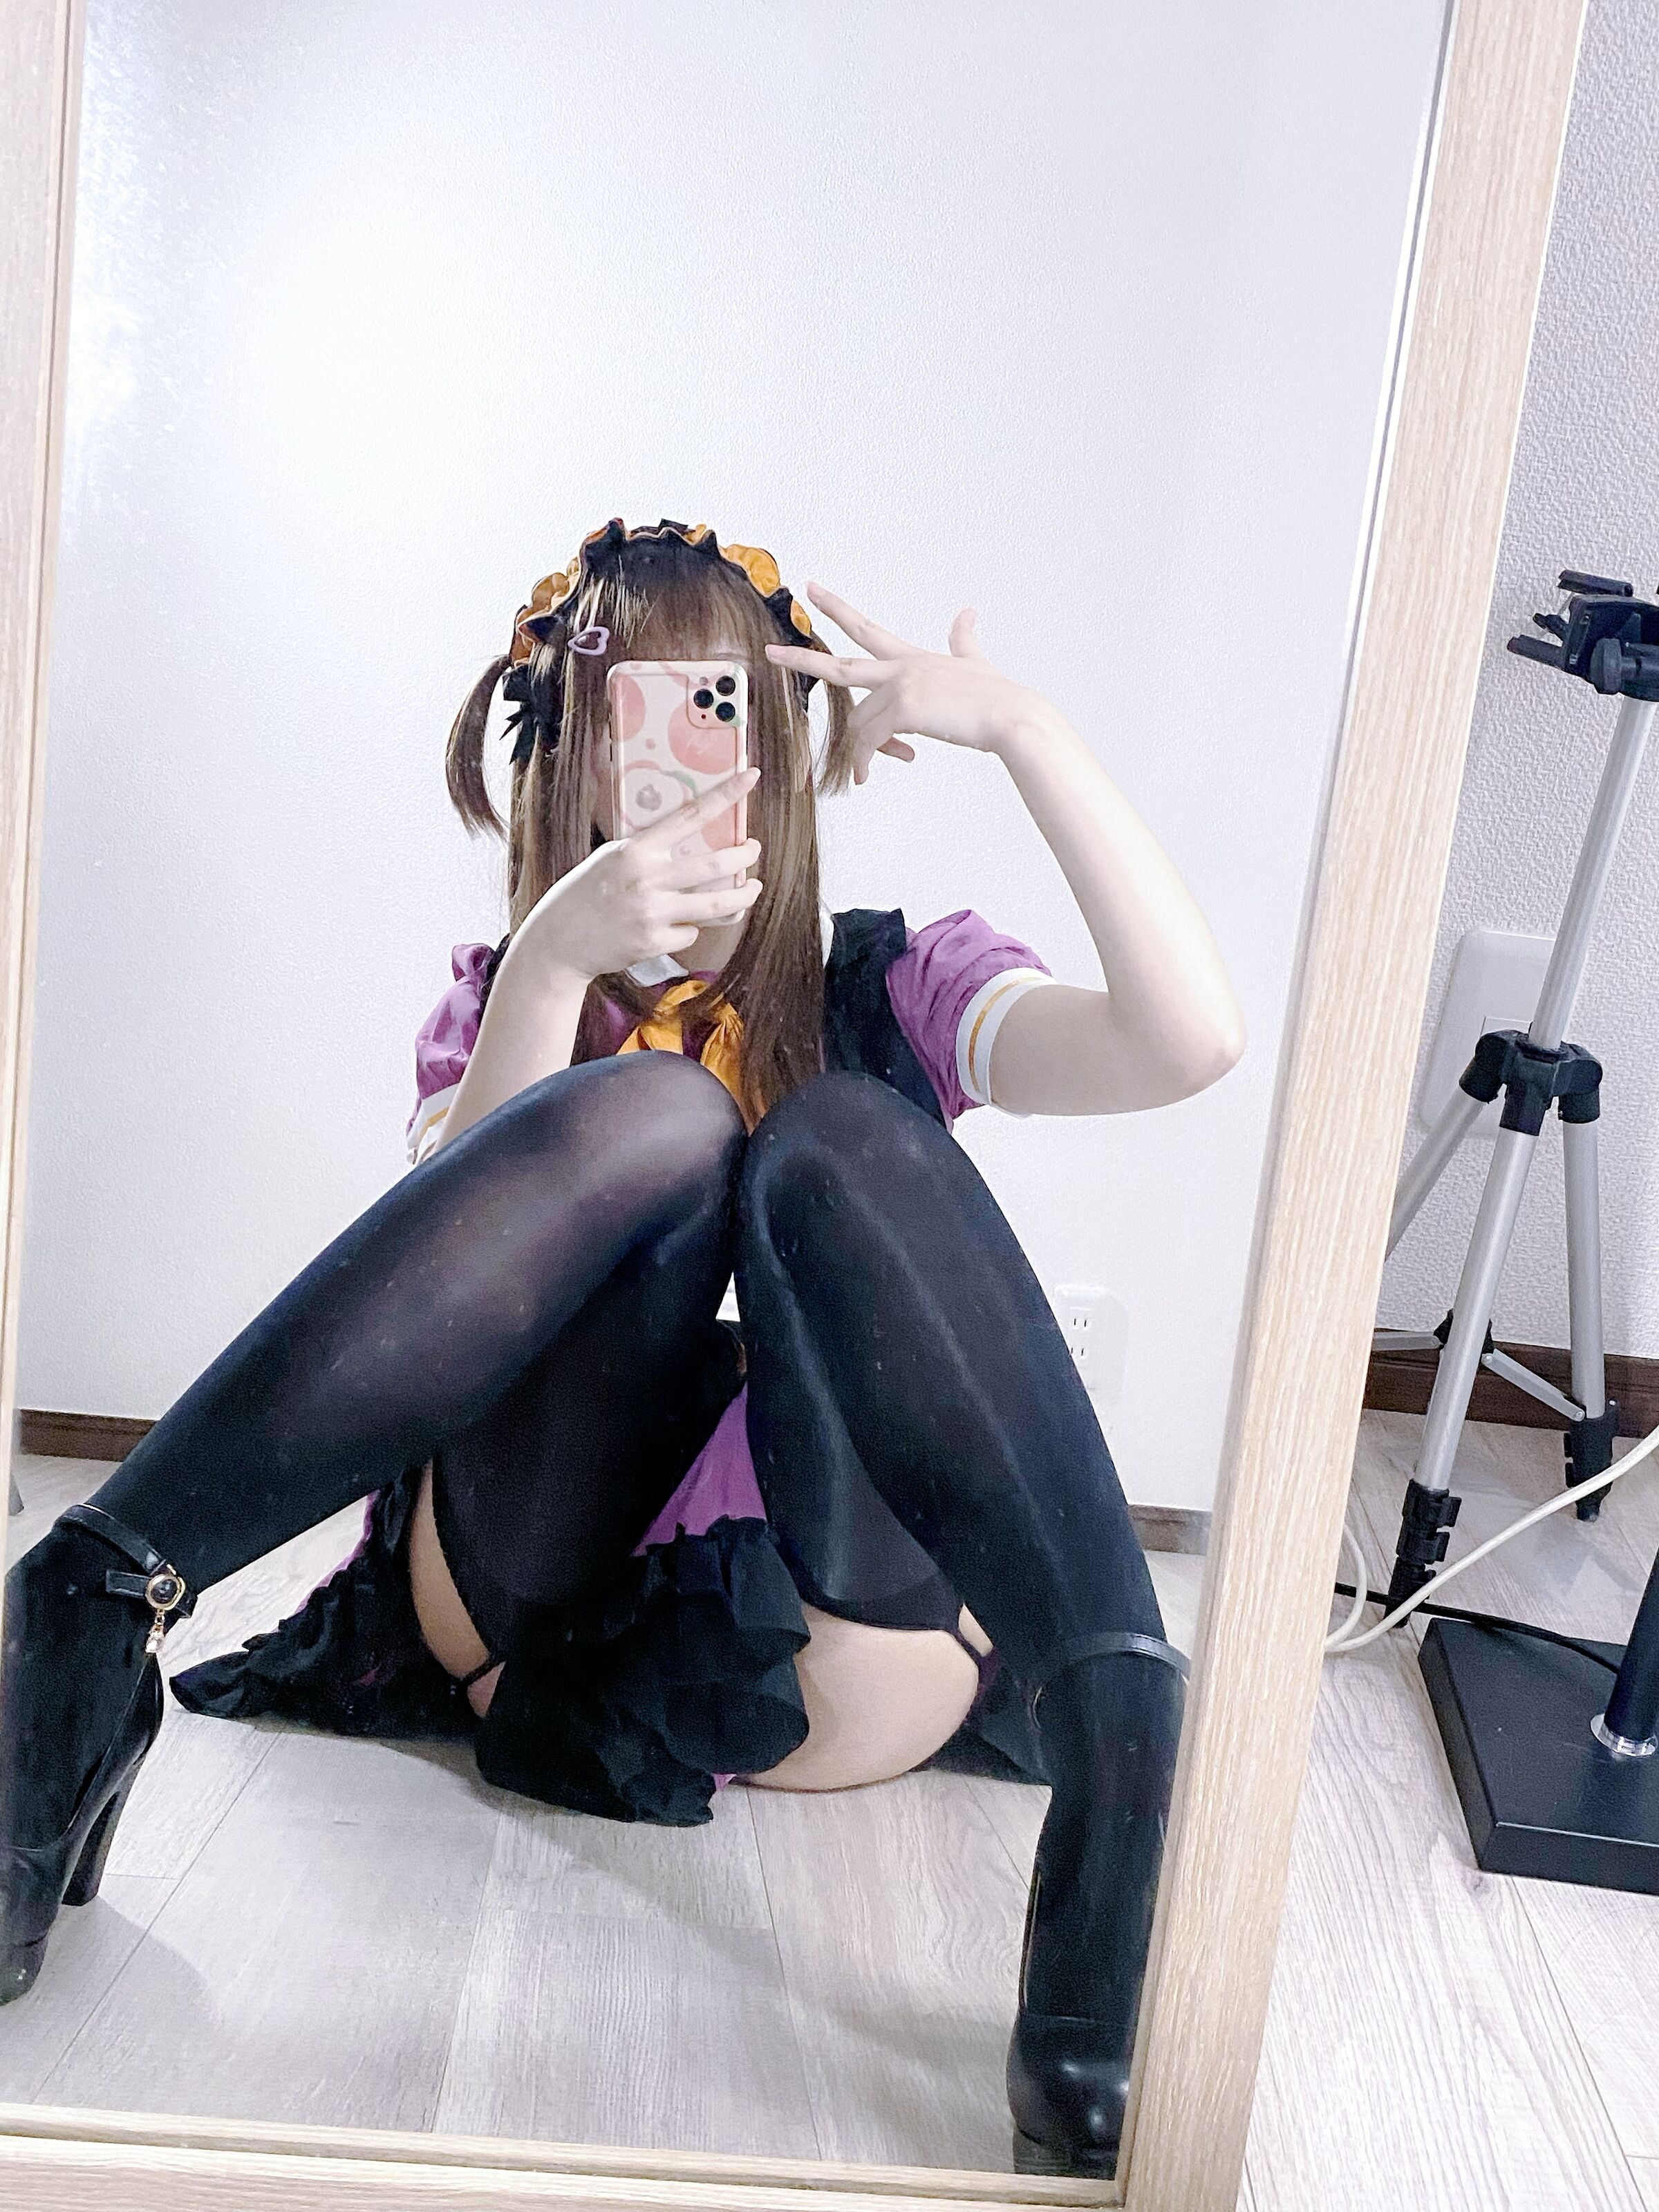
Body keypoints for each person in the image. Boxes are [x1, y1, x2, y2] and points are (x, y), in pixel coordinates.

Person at [0, 518, 1244, 2173]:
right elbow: (420, 1291)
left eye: (720, 703)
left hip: (845, 1621)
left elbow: (1186, 1040)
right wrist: (555, 959)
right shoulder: (512, 991)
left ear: (783, 743)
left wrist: (1027, 731)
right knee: (656, 1112)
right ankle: (92, 1598)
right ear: (569, 758)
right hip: (541, 1582)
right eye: (626, 714)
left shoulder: (894, 981)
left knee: (838, 1141)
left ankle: (1122, 1721)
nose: (676, 753)